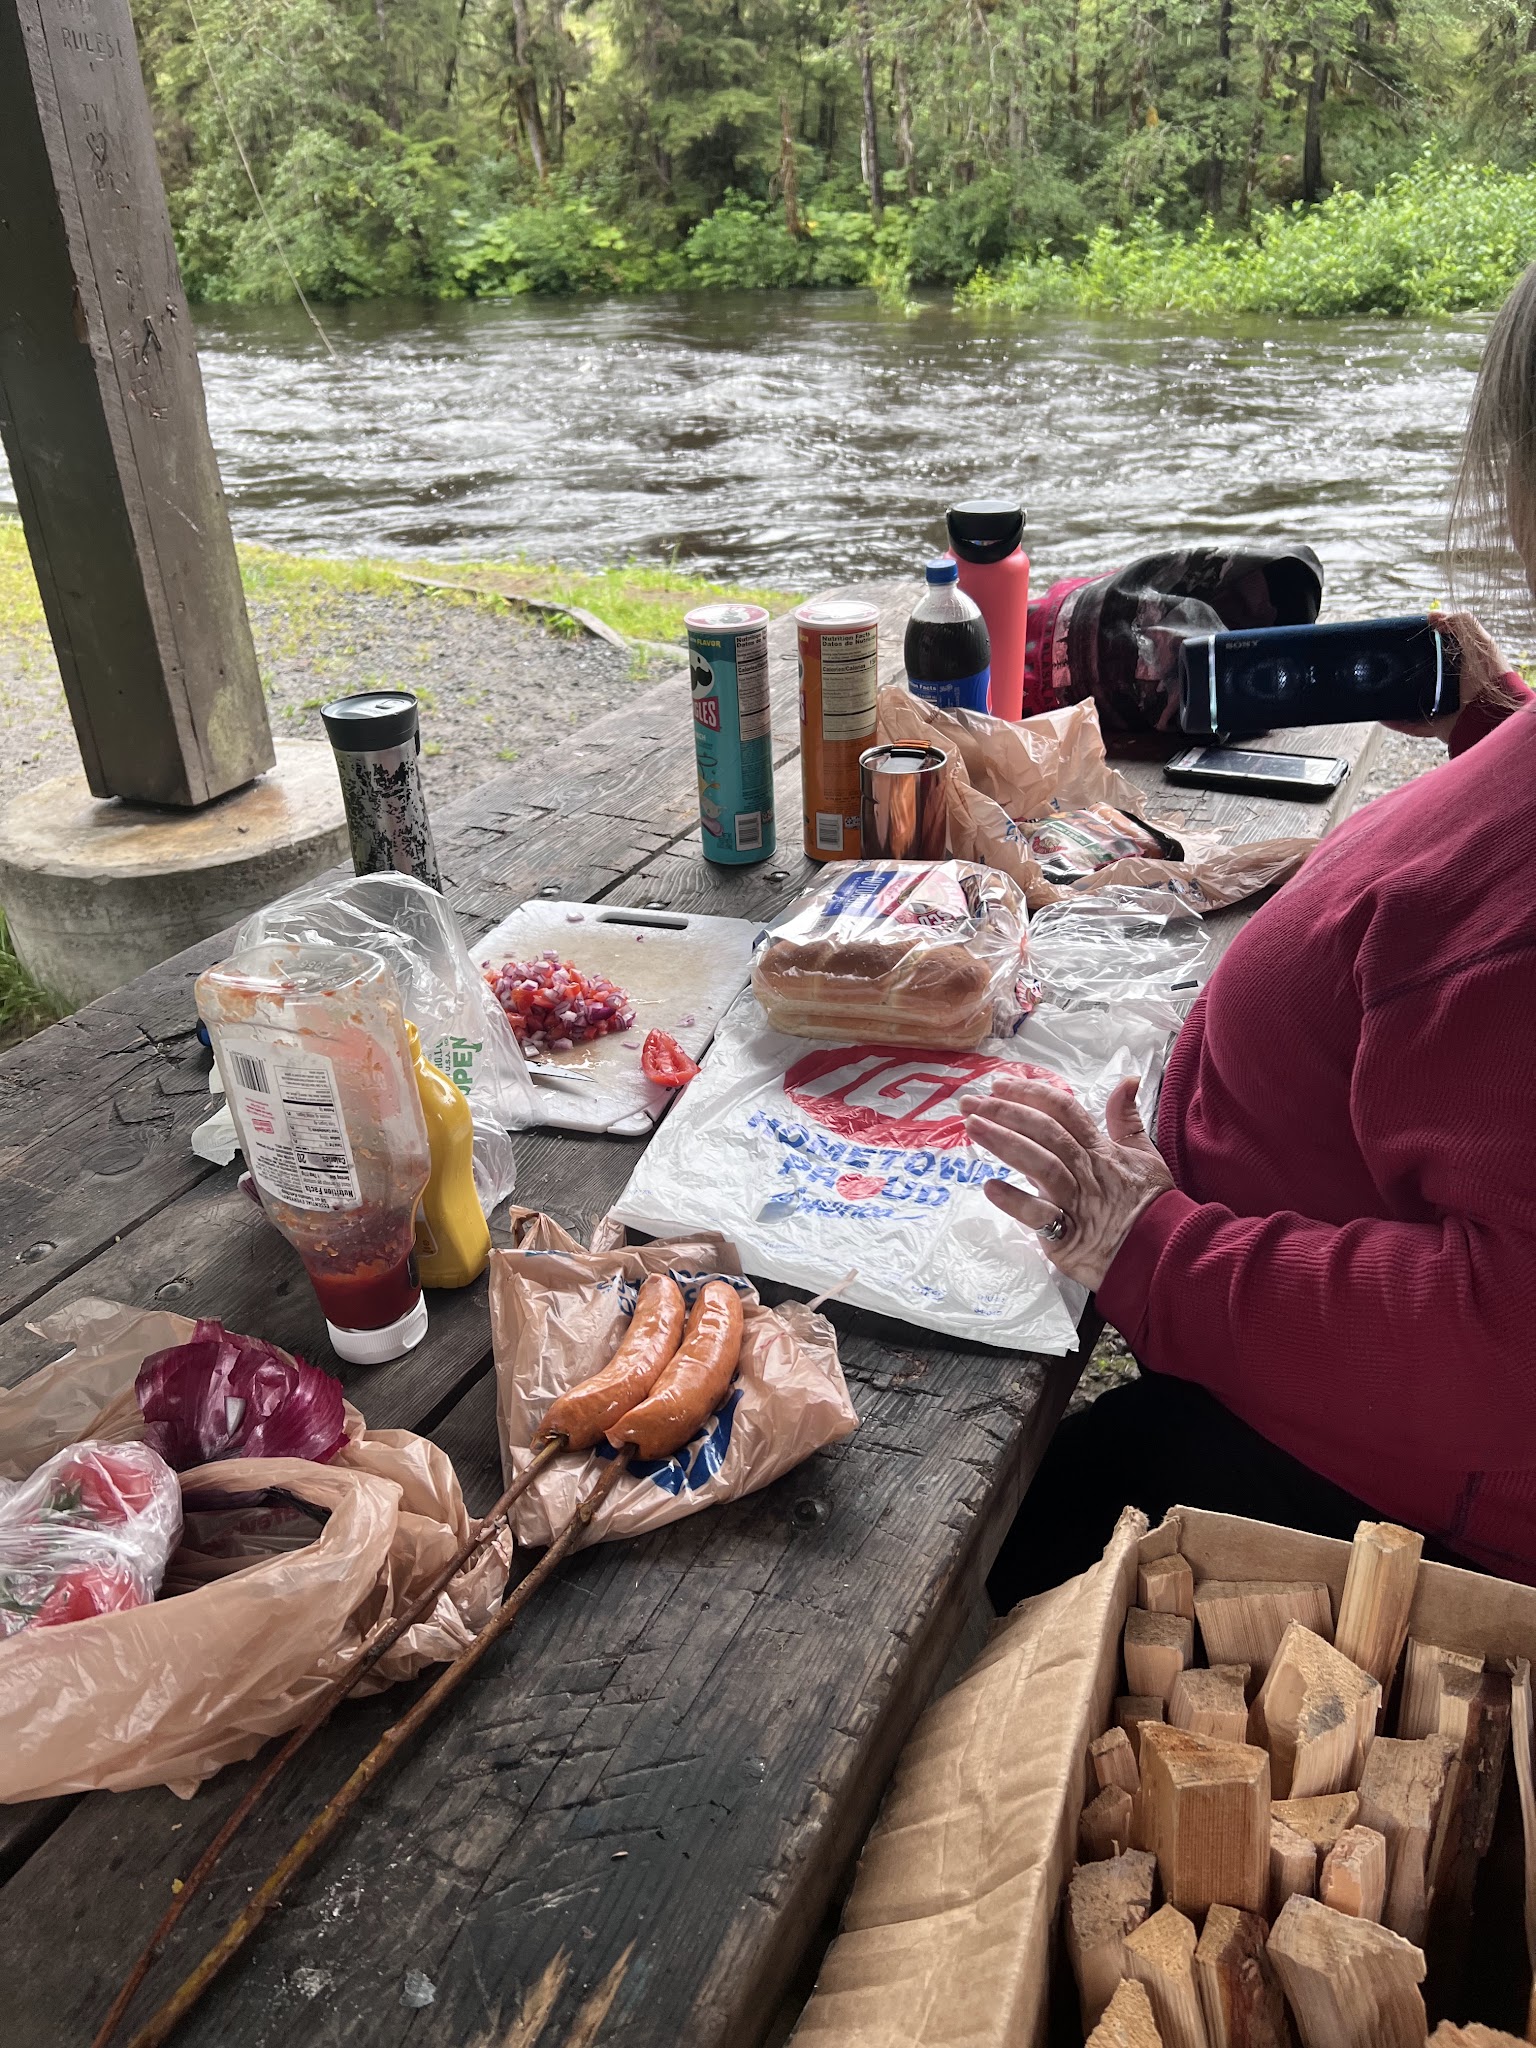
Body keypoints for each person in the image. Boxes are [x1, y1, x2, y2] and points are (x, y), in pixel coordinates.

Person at [968, 269, 1536, 1607]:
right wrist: (1495, 720)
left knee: (988, 1528)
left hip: (1412, 1514)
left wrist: (1150, 1247)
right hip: (1300, 1316)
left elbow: (1505, 1365)